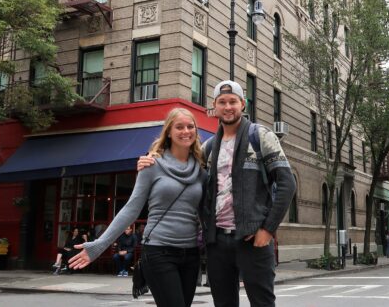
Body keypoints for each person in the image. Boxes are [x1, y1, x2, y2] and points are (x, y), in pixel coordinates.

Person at [140, 80, 296, 307]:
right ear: (215, 106)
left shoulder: (260, 136)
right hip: (217, 243)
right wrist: (151, 157)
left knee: (262, 303)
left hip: (253, 240)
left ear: (243, 104)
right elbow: (180, 167)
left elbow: (287, 183)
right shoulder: (210, 147)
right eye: (222, 102)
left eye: (233, 101)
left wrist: (268, 229)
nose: (228, 106)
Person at [69, 108, 206, 307]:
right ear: (168, 131)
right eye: (179, 127)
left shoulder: (201, 170)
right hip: (160, 252)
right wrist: (100, 244)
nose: (186, 131)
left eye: (190, 126)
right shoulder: (151, 164)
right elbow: (131, 208)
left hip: (191, 254)